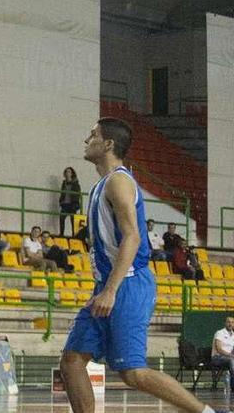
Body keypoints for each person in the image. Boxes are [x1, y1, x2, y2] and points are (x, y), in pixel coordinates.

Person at [59, 117, 225, 413]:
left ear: (108, 144)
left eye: (93, 135)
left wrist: (111, 290)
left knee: (133, 372)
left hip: (127, 284)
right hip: (108, 285)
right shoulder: (101, 184)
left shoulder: (119, 182)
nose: (87, 140)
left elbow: (134, 238)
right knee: (72, 362)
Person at [211, 317, 234, 391]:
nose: (230, 324)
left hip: (228, 358)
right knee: (231, 360)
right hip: (217, 357)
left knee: (232, 360)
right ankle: (233, 386)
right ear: (225, 323)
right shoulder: (220, 333)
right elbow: (219, 349)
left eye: (232, 322)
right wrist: (231, 355)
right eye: (228, 322)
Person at [59, 167, 81, 236]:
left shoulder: (75, 183)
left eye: (69, 172)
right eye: (66, 172)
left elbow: (78, 194)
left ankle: (74, 234)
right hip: (65, 204)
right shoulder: (64, 183)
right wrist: (60, 201)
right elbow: (62, 193)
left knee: (73, 220)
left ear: (72, 174)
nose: (67, 173)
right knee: (62, 217)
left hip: (72, 204)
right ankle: (61, 234)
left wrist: (76, 203)